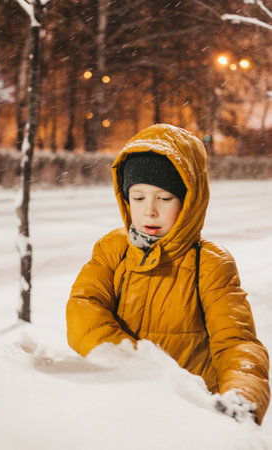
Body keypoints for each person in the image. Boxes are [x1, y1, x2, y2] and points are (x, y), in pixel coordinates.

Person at [66, 123, 270, 424]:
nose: (149, 210)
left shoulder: (210, 264)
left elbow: (236, 342)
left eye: (163, 199)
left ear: (188, 202)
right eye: (138, 197)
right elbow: (84, 309)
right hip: (118, 405)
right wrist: (132, 364)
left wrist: (242, 396)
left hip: (187, 415)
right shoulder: (112, 250)